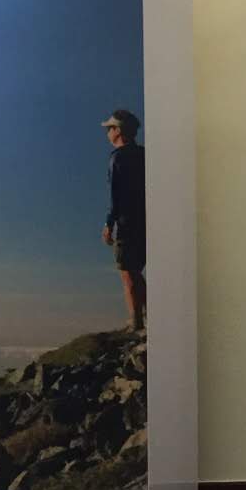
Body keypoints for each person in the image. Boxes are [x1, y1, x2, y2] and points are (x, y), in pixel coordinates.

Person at [101, 109, 147, 333]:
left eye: (110, 128)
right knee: (137, 271)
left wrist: (109, 224)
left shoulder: (117, 158)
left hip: (127, 222)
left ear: (118, 130)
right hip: (145, 221)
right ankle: (148, 315)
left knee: (127, 272)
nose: (107, 133)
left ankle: (136, 322)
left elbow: (115, 194)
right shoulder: (144, 155)